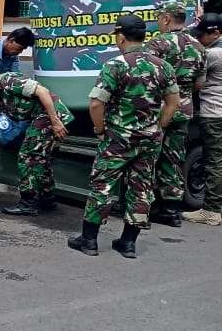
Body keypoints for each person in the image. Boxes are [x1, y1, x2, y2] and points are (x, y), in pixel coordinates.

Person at [68, 14, 179, 259]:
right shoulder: (163, 66)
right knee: (141, 189)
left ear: (120, 37)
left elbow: (96, 103)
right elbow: (173, 103)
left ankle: (89, 241)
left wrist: (99, 129)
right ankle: (128, 243)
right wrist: (158, 126)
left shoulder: (116, 65)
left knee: (103, 187)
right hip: (149, 140)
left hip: (117, 139)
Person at [0, 62, 73, 216]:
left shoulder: (8, 80)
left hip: (49, 115)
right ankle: (47, 198)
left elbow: (42, 92)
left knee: (27, 156)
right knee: (39, 158)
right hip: (39, 118)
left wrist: (55, 121)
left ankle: (28, 203)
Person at [145, 0, 206, 227]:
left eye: (159, 17)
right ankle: (171, 210)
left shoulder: (157, 44)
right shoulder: (199, 47)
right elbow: (200, 83)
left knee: (148, 157)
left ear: (166, 19)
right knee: (174, 157)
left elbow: (145, 78)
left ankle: (144, 206)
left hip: (158, 110)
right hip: (184, 109)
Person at [185, 14, 222, 225]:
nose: (200, 40)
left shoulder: (213, 54)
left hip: (213, 113)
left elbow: (196, 83)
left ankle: (211, 211)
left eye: (203, 35)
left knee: (213, 162)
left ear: (215, 33)